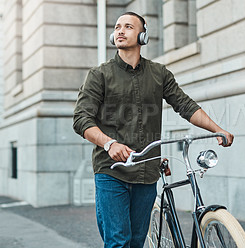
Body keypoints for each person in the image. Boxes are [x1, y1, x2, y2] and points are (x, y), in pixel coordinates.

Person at [73, 11, 233, 248]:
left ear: (143, 35)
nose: (120, 31)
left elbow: (184, 105)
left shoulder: (159, 73)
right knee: (118, 242)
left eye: (128, 26)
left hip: (146, 171)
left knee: (137, 242)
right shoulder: (100, 75)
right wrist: (110, 143)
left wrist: (218, 130)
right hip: (112, 171)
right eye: (117, 27)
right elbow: (81, 119)